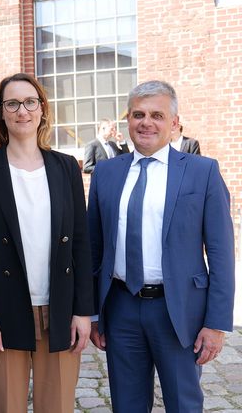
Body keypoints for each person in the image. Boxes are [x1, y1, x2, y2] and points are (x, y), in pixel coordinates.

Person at [88, 80, 235, 412]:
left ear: (174, 122)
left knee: (183, 404)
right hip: (121, 307)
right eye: (138, 114)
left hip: (179, 311)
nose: (146, 122)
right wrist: (94, 314)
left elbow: (221, 252)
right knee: (126, 405)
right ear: (128, 120)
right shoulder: (106, 173)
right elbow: (93, 250)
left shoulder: (202, 172)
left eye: (157, 114)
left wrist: (216, 323)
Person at [0, 73, 94, 413]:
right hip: (3, 311)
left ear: (41, 110)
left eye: (30, 102)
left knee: (58, 406)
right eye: (12, 103)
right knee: (4, 406)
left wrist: (83, 310)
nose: (22, 111)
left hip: (60, 309)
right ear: (1, 113)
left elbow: (80, 242)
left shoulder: (66, 167)